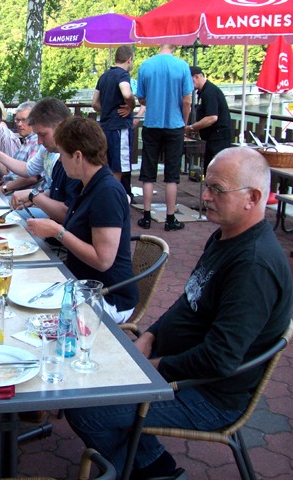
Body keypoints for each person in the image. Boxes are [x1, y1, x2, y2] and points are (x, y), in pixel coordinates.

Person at [65, 147, 292, 479]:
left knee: (86, 407)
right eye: (206, 185)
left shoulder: (253, 266)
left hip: (209, 394)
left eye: (217, 189)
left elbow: (220, 359)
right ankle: (153, 465)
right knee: (81, 368)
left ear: (253, 198)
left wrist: (154, 367)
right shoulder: (226, 236)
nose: (205, 196)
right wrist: (151, 335)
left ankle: (152, 470)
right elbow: (189, 300)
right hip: (179, 366)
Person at [25, 117, 137, 323]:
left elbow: (103, 261)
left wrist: (57, 232)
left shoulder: (107, 192)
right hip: (80, 285)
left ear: (78, 156)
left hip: (108, 296)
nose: (60, 161)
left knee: (31, 316)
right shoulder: (85, 184)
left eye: (62, 155)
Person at [136, 45, 193, 231]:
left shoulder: (146, 65)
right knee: (172, 175)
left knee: (148, 172)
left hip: (152, 123)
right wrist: (184, 122)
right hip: (175, 125)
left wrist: (153, 101)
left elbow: (141, 98)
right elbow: (187, 101)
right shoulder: (182, 66)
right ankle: (170, 218)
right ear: (174, 45)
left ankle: (146, 217)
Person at [10, 97, 81, 223]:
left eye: (42, 134)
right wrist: (32, 197)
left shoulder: (77, 161)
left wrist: (34, 196)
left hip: (64, 232)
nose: (39, 142)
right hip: (56, 228)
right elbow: (56, 192)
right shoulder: (60, 158)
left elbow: (69, 214)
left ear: (60, 127)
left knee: (15, 219)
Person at [92, 45, 136, 183]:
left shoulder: (104, 76)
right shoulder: (123, 75)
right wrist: (131, 106)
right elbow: (126, 93)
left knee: (105, 164)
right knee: (118, 167)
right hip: (119, 127)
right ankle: (115, 192)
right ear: (129, 59)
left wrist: (106, 109)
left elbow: (94, 103)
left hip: (104, 127)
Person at [0, 101, 43, 193]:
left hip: (20, 195)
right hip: (9, 190)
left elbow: (32, 177)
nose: (19, 124)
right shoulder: (26, 142)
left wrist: (4, 188)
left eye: (24, 120)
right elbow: (6, 173)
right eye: (17, 120)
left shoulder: (37, 142)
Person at [187, 66, 232, 175]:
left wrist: (192, 127)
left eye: (188, 81)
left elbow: (212, 117)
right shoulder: (204, 91)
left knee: (215, 169)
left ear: (196, 77)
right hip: (211, 137)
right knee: (209, 167)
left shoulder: (209, 92)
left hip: (218, 138)